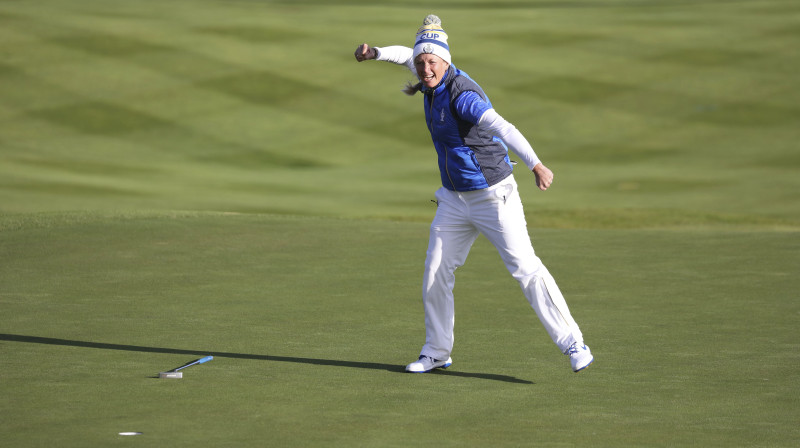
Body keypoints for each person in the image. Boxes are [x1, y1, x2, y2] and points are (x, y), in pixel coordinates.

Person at [354, 15, 593, 373]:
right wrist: (374, 53)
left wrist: (536, 165)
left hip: (493, 197)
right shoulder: (427, 69)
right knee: (435, 271)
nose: (424, 68)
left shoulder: (462, 96)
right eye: (421, 63)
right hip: (452, 199)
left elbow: (503, 127)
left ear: (446, 61)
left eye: (431, 62)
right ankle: (436, 351)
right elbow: (406, 53)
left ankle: (574, 344)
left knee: (525, 269)